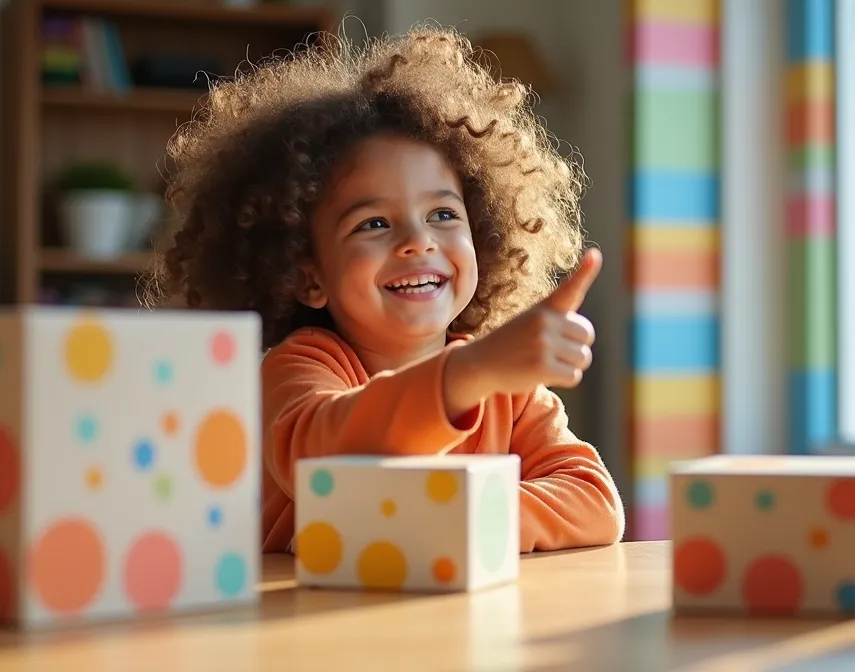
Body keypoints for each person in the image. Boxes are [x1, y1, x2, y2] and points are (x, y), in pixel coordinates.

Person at [150, 25, 625, 554]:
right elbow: (327, 464)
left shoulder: (508, 395)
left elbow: (595, 502)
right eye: (373, 223)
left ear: (484, 237)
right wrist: (470, 374)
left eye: (443, 213)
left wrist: (457, 518)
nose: (417, 242)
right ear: (307, 275)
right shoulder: (301, 369)